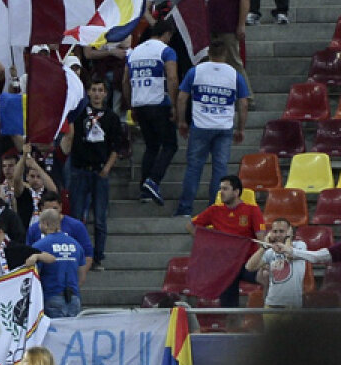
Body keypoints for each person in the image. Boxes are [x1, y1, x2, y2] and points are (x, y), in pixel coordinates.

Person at [176, 43, 251, 219]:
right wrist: (241, 128)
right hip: (224, 128)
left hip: (200, 126)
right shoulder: (235, 74)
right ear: (225, 53)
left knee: (194, 168)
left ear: (208, 53)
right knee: (220, 170)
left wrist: (181, 121)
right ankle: (216, 208)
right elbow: (244, 103)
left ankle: (185, 209)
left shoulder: (195, 71)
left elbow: (181, 98)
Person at [61, 77, 124, 270]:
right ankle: (76, 256)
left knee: (100, 218)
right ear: (88, 92)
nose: (97, 94)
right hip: (80, 170)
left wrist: (107, 167)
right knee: (76, 216)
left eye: (100, 90)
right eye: (94, 90)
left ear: (105, 94)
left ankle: (98, 257)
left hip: (100, 172)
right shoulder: (79, 115)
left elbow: (117, 147)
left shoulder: (111, 117)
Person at [187, 173, 265, 306]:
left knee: (269, 277)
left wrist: (262, 262)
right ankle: (231, 324)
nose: (221, 192)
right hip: (225, 266)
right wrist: (207, 243)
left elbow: (261, 239)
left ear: (236, 192)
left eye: (225, 189)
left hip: (248, 263)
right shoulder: (214, 210)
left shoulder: (252, 210)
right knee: (229, 307)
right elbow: (190, 225)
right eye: (220, 189)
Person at [125, 20, 180, 206]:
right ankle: (153, 180)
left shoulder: (134, 52)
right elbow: (172, 77)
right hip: (159, 102)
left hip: (139, 103)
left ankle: (145, 190)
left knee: (151, 146)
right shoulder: (165, 51)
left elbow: (126, 80)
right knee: (170, 145)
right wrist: (174, 104)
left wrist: (131, 105)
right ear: (167, 34)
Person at [246, 217, 333, 309]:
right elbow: (249, 267)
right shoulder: (270, 251)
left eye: (281, 231)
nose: (278, 234)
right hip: (271, 304)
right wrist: (263, 246)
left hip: (292, 306)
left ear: (289, 232)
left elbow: (289, 255)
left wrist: (288, 238)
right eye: (275, 231)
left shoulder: (299, 245)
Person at [30, 208, 87, 318]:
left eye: (39, 223)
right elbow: (82, 273)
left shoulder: (39, 246)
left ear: (45, 224)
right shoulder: (76, 245)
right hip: (74, 297)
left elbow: (34, 275)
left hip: (51, 296)